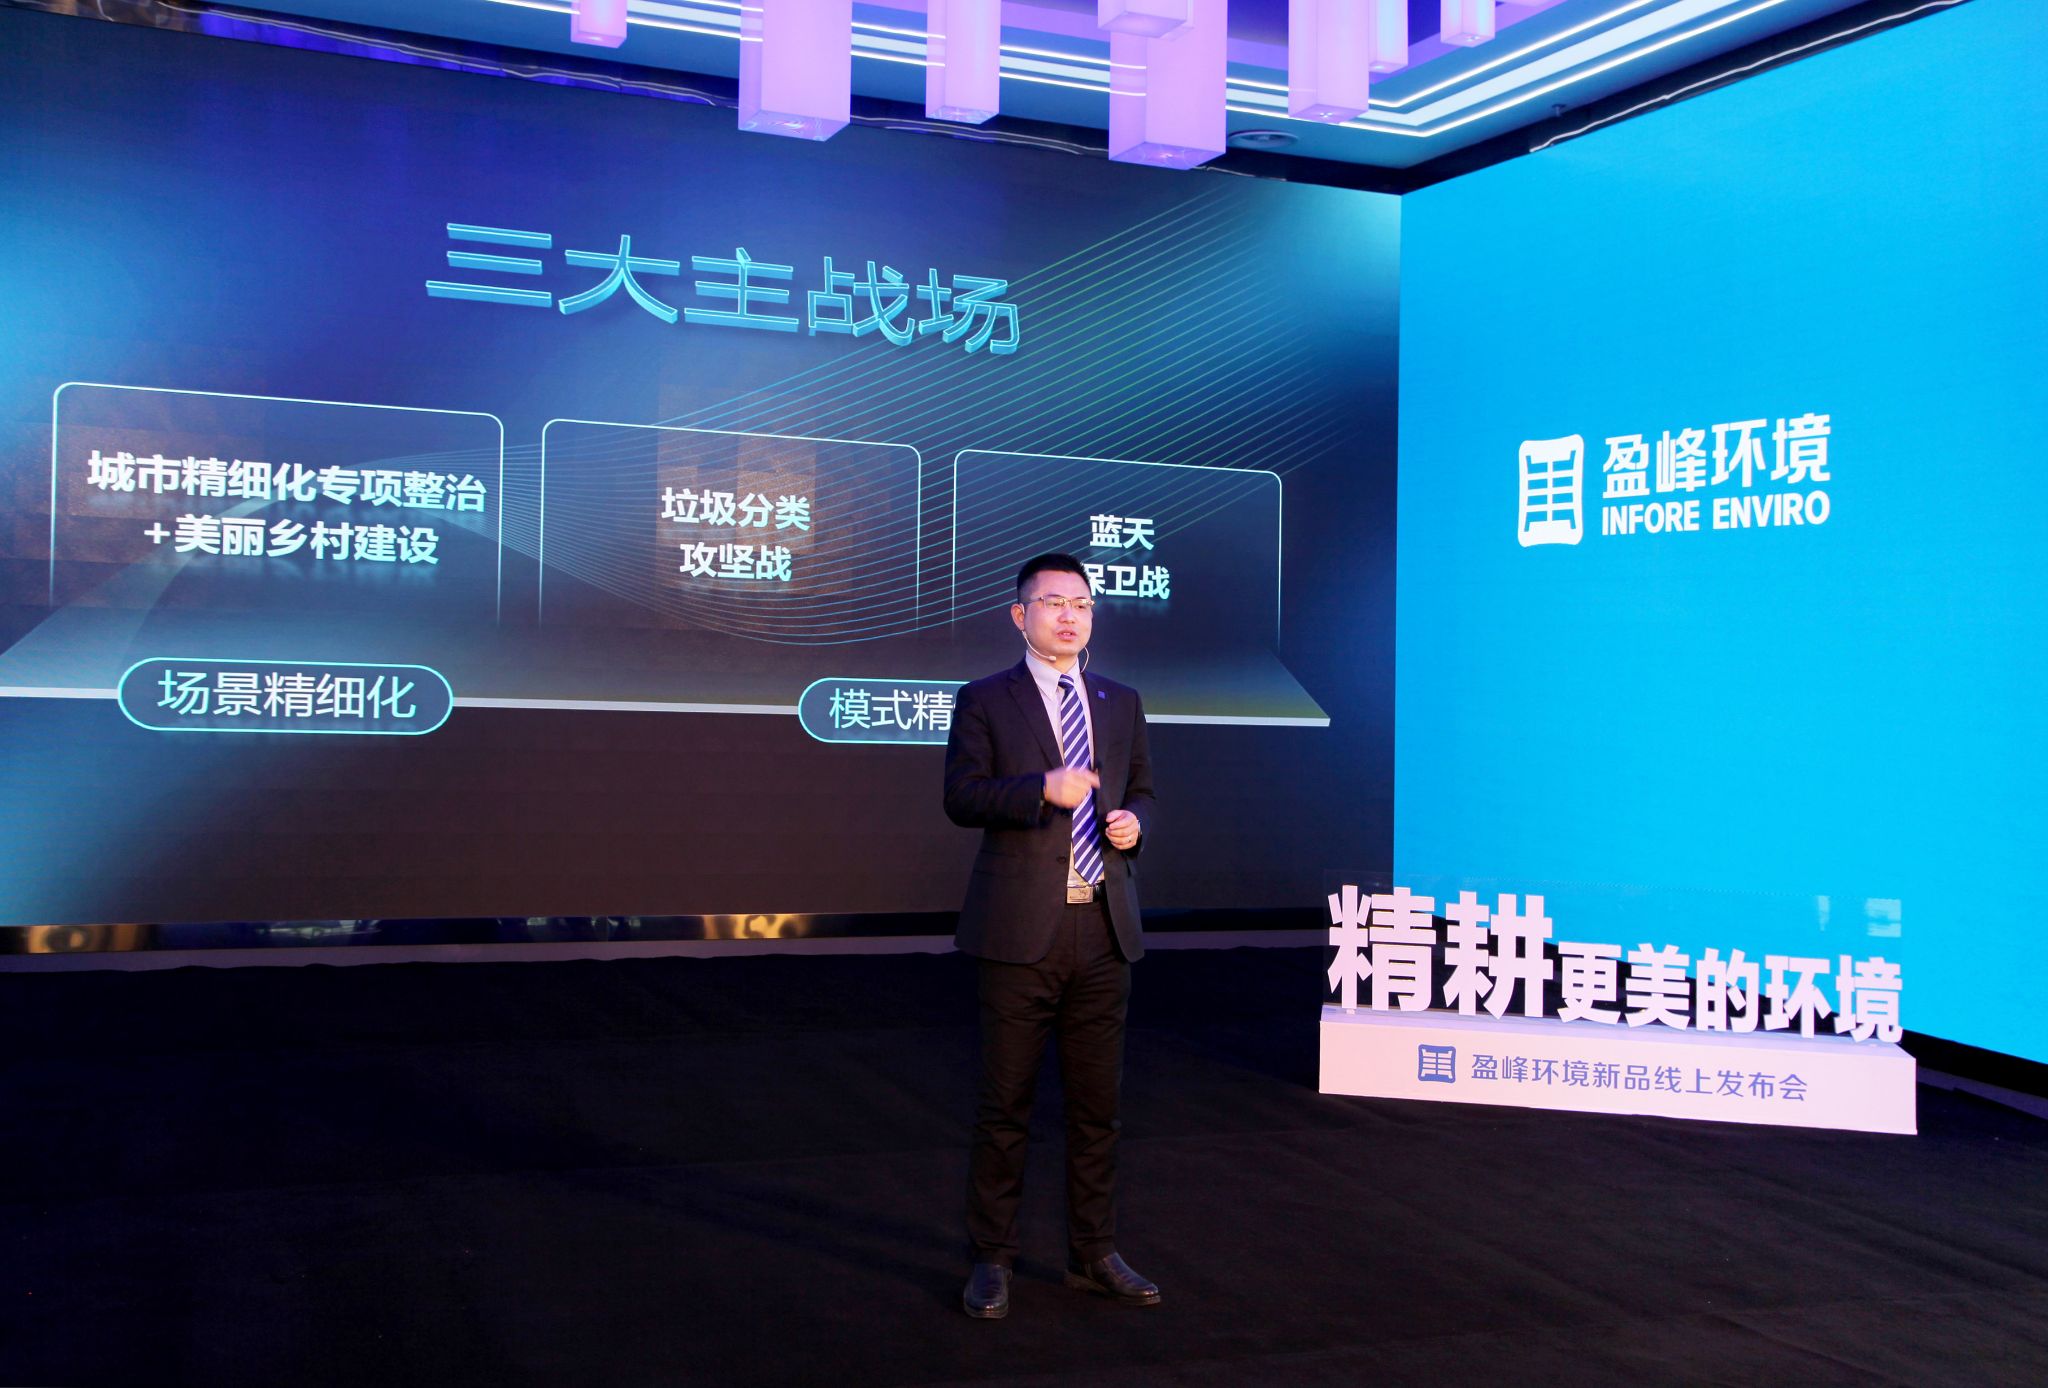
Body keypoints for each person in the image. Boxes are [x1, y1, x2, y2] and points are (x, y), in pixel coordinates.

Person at [942, 552, 1159, 1320]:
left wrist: (1134, 823)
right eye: (1054, 602)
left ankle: (1093, 1252)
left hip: (1103, 926)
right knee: (1005, 1106)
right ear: (1020, 615)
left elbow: (1143, 789)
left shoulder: (1120, 701)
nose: (1070, 616)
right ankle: (992, 1258)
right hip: (1019, 932)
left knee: (1098, 1108)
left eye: (1082, 604)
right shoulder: (984, 699)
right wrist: (1042, 788)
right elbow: (962, 797)